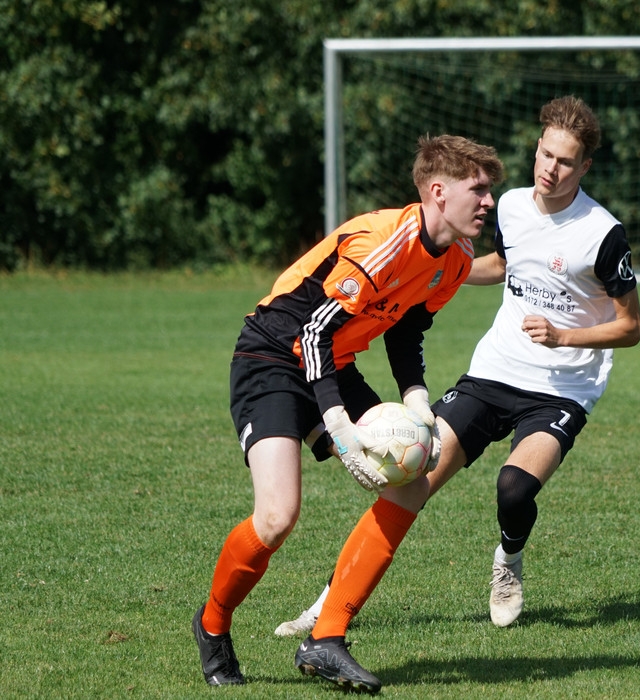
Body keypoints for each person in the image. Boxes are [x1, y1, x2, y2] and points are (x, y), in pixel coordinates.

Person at [281, 95, 640, 693]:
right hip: (493, 372)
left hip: (563, 387)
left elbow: (630, 327)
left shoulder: (602, 234)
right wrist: (430, 268)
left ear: (585, 167)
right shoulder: (511, 206)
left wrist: (565, 336)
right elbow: (505, 263)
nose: (550, 169)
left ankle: (509, 559)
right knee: (410, 479)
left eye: (565, 162)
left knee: (514, 488)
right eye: (545, 154)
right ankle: (328, 606)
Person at [191, 134, 505, 686]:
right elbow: (312, 334)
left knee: (410, 486)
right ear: (438, 191)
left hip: (329, 362)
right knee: (277, 517)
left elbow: (406, 331)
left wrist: (417, 401)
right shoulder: (384, 242)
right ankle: (213, 624)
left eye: (490, 190)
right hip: (271, 356)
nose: (488, 201)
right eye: (477, 189)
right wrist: (338, 425)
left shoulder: (455, 259)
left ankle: (326, 639)